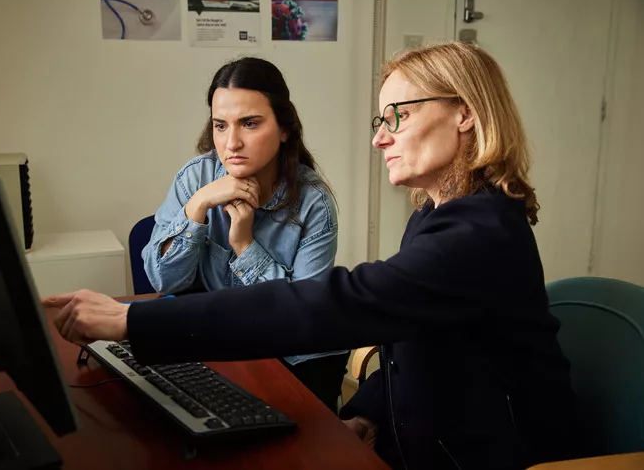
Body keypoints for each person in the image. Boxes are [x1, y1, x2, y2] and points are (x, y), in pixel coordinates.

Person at [46, 42, 579, 469]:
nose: (379, 139)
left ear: (464, 113)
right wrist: (370, 413)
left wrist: (133, 319)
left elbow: (334, 306)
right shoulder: (438, 216)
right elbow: (409, 336)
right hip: (428, 434)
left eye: (396, 115)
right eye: (379, 120)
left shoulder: (478, 233)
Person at [140, 56, 349, 413]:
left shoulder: (314, 203)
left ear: (284, 129)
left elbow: (297, 319)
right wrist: (198, 207)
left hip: (292, 364)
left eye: (249, 124)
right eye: (220, 126)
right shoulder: (195, 178)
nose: (231, 142)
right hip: (220, 351)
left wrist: (244, 245)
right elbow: (164, 281)